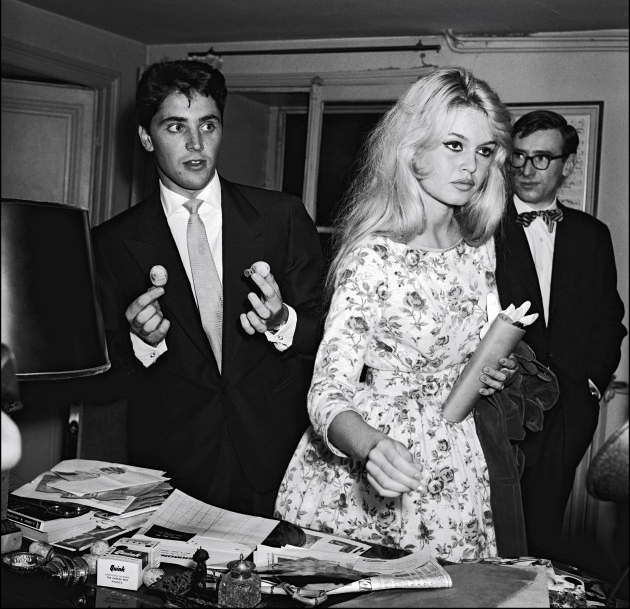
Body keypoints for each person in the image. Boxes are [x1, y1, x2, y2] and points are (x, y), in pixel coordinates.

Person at [274, 67, 524, 562]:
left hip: (457, 457)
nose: (471, 166)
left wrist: (494, 366)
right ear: (412, 150)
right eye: (454, 145)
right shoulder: (374, 255)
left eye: (484, 150)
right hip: (377, 464)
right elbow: (326, 392)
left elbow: (466, 347)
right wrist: (370, 446)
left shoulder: (479, 246)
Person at [91, 60, 324, 517]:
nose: (196, 144)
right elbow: (101, 377)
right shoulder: (110, 243)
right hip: (173, 467)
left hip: (278, 459)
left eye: (208, 125)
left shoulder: (281, 217)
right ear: (146, 138)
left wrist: (283, 321)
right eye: (176, 126)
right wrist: (140, 342)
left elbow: (329, 338)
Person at [495, 109, 627, 562]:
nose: (526, 169)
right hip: (499, 407)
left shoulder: (593, 236)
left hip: (566, 413)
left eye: (542, 158)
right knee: (490, 537)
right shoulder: (483, 229)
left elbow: (609, 320)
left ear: (567, 165)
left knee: (542, 540)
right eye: (518, 156)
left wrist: (591, 383)